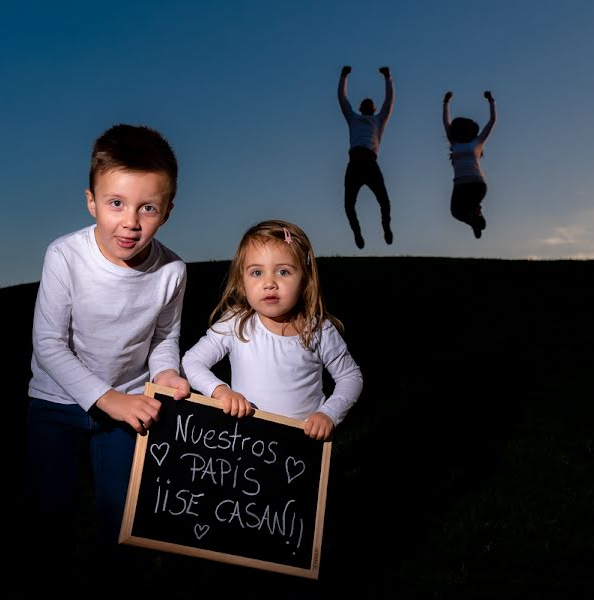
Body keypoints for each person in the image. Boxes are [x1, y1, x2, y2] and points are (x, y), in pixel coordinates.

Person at [25, 123, 190, 589]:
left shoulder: (172, 271)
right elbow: (49, 345)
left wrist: (167, 372)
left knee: (122, 524)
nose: (130, 222)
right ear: (91, 201)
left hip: (131, 408)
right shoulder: (65, 256)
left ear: (168, 211)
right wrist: (106, 398)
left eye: (148, 208)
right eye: (116, 203)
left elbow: (164, 336)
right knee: (50, 515)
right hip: (56, 406)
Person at [182, 219, 363, 441]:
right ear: (242, 280)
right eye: (257, 273)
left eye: (283, 272)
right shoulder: (236, 323)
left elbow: (350, 377)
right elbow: (191, 361)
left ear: (305, 279)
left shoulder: (318, 330)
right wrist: (220, 391)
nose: (270, 283)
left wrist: (329, 413)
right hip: (245, 441)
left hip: (301, 446)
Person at [338, 65, 395, 249]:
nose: (368, 104)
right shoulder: (353, 118)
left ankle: (386, 228)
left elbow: (389, 101)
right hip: (354, 163)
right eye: (366, 103)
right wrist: (343, 76)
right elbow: (342, 99)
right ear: (361, 108)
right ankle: (357, 233)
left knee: (384, 201)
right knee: (348, 204)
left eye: (371, 103)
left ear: (374, 108)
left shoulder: (379, 120)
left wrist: (388, 77)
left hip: (370, 163)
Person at [443, 90, 497, 239]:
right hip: (459, 185)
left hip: (476, 184)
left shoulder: (477, 142)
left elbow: (492, 121)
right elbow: (446, 123)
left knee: (467, 208)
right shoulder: (454, 143)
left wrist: (491, 101)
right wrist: (446, 103)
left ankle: (476, 214)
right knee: (455, 212)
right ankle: (475, 221)